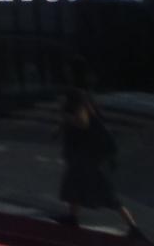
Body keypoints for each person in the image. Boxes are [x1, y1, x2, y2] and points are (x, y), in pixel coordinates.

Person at [58, 61, 147, 240]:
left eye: (68, 70)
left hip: (87, 154)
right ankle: (72, 217)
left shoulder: (77, 95)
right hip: (88, 152)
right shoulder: (83, 94)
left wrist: (66, 117)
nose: (65, 73)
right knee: (75, 184)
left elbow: (83, 122)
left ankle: (134, 228)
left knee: (104, 191)